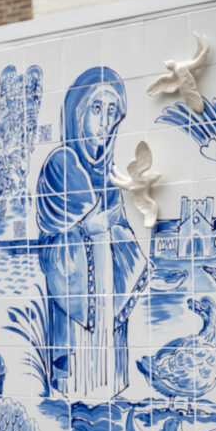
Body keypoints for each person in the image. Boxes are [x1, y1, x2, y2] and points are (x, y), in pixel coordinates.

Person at [36, 66, 149, 400]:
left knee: (108, 385)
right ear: (78, 112)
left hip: (106, 292)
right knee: (80, 386)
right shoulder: (62, 161)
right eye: (97, 109)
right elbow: (60, 236)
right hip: (76, 299)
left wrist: (107, 230)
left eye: (112, 111)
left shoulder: (108, 173)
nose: (105, 120)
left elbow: (119, 230)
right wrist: (93, 229)